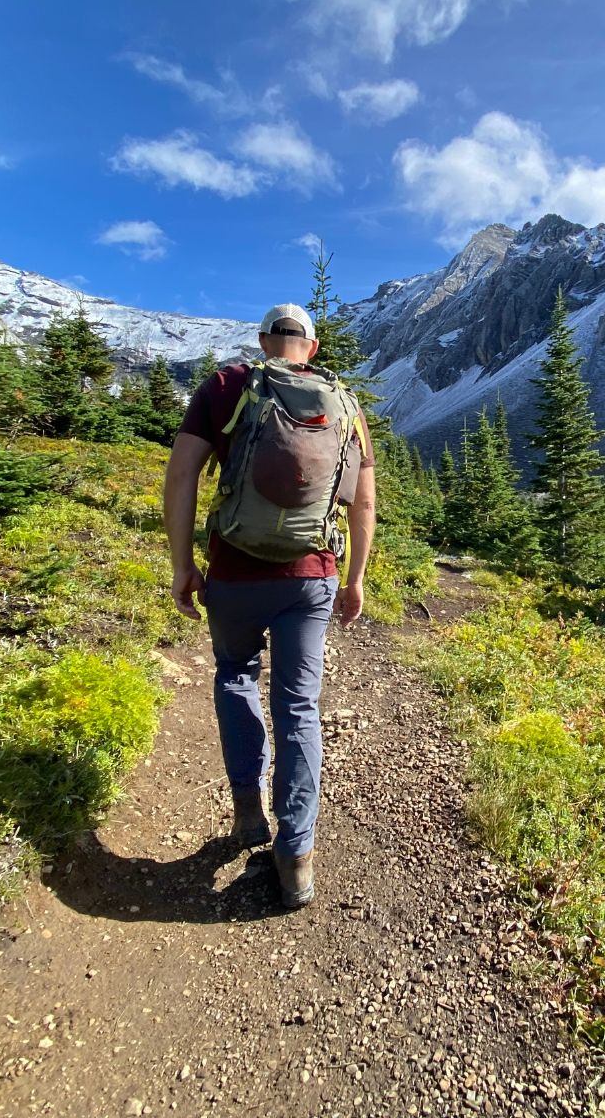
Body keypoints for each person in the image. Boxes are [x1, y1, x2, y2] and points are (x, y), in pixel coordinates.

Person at [162, 303, 376, 908]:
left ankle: (249, 812)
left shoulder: (229, 385)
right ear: (310, 348)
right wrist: (354, 579)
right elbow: (362, 504)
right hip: (311, 577)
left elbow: (181, 477)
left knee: (234, 675)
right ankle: (297, 854)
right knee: (299, 705)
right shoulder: (345, 404)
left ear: (263, 342)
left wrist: (184, 565)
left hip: (233, 572)